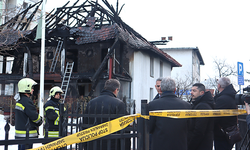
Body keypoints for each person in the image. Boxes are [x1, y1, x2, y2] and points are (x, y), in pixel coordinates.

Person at [84, 79, 130, 150]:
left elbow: (84, 126)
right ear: (116, 90)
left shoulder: (91, 103)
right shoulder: (119, 104)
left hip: (93, 145)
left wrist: (86, 146)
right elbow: (124, 129)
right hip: (112, 145)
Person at [148, 77, 191, 150]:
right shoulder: (186, 106)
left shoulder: (153, 105)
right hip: (180, 145)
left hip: (160, 145)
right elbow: (190, 127)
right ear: (175, 89)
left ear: (161, 89)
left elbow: (149, 128)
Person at [14, 78, 43, 150]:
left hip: (20, 134)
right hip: (26, 135)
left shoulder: (20, 100)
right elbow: (34, 117)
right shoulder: (27, 101)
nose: (33, 90)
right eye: (31, 88)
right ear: (26, 88)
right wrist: (41, 120)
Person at [188, 83, 214, 150]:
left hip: (201, 145)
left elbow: (199, 130)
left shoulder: (203, 106)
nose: (191, 92)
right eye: (191, 90)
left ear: (201, 93)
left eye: (194, 91)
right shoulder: (198, 104)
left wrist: (190, 146)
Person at [214, 77, 237, 150]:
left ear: (219, 86)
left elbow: (216, 116)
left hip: (222, 134)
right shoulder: (232, 96)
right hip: (230, 131)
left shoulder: (222, 99)